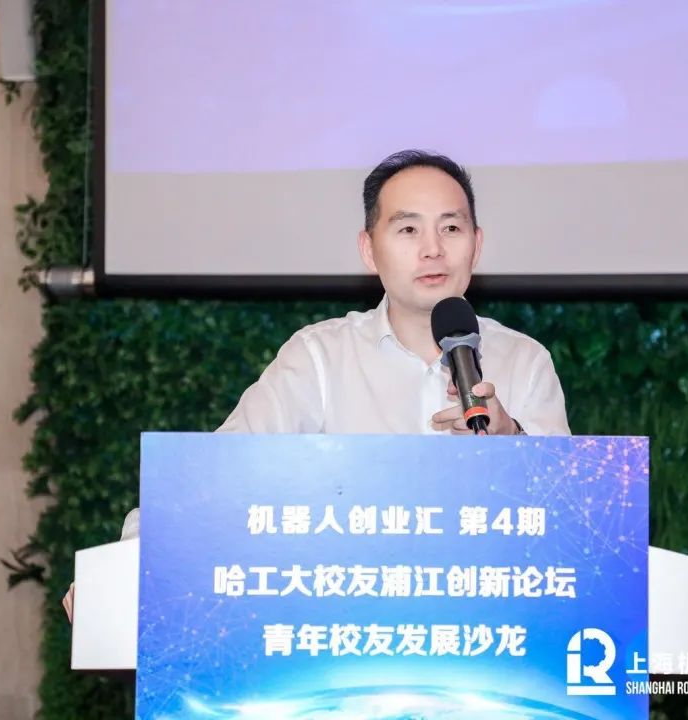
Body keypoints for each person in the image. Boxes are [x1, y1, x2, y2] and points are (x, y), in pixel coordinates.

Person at [63, 149, 570, 621]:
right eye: (408, 229)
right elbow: (213, 480)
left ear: (476, 245)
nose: (433, 249)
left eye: (451, 228)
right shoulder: (320, 357)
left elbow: (574, 524)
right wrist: (124, 571)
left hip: (486, 626)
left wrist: (512, 441)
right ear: (369, 250)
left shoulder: (524, 362)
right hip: (346, 629)